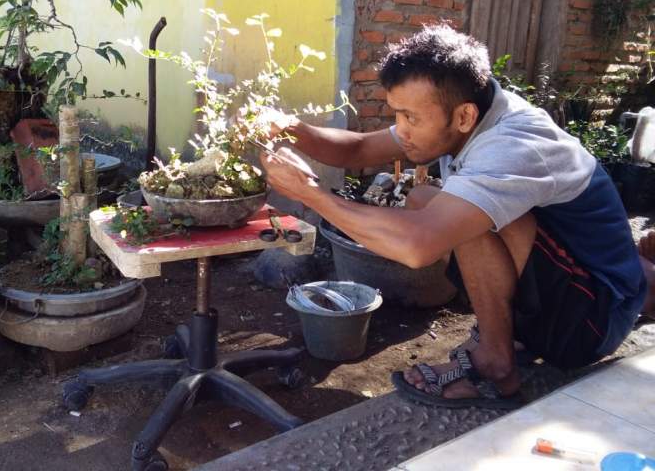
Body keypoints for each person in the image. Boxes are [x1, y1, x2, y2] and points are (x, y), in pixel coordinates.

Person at [257, 24, 655, 409]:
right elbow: (358, 150)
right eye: (397, 114)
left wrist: (307, 193)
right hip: (589, 284)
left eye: (410, 118)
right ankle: (514, 333)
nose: (401, 130)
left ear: (463, 116)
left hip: (590, 323)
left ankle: (496, 363)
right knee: (427, 199)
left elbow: (416, 246)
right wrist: (293, 129)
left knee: (458, 216)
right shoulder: (465, 114)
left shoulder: (513, 146)